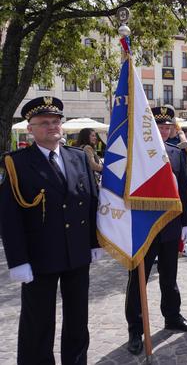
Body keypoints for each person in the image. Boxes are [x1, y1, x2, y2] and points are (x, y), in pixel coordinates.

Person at [0, 97, 101, 364]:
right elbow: (10, 217)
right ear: (29, 129)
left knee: (78, 319)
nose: (52, 126)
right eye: (43, 123)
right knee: (38, 322)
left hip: (77, 253)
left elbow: (91, 202)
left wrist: (94, 242)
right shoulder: (17, 163)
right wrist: (18, 261)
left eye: (56, 121)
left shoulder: (78, 157)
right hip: (39, 256)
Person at [125, 106, 187, 355]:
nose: (165, 131)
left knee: (170, 276)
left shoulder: (176, 153)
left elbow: (183, 190)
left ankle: (172, 315)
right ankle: (135, 329)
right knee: (138, 281)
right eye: (160, 126)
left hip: (170, 226)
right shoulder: (136, 155)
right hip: (143, 227)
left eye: (168, 127)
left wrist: (186, 222)